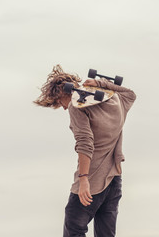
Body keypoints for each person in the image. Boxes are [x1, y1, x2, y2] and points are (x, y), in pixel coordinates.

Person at [34, 65, 136, 237]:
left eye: (60, 103)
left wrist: (83, 180)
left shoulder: (77, 106)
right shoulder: (117, 100)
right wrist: (101, 83)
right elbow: (130, 94)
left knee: (73, 226)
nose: (64, 108)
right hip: (114, 181)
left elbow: (85, 143)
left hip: (91, 182)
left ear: (63, 94)